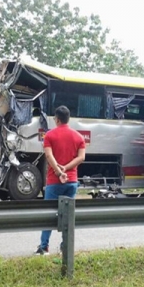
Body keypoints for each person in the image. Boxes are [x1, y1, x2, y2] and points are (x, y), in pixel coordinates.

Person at [34, 106, 86, 255]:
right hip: (71, 182)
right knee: (68, 215)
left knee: (49, 214)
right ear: (68, 119)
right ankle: (65, 245)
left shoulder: (49, 135)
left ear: (57, 119)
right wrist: (66, 169)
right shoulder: (78, 137)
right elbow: (81, 158)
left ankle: (44, 247)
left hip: (54, 181)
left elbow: (49, 157)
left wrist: (58, 171)